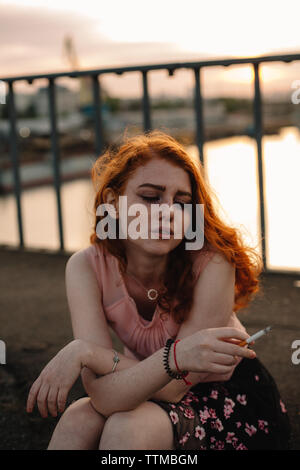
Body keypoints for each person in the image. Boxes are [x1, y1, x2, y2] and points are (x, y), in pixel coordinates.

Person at [26, 130, 290, 450]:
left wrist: (87, 353)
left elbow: (172, 390)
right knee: (77, 419)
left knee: (127, 428)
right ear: (112, 202)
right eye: (151, 197)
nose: (167, 212)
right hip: (138, 384)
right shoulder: (86, 266)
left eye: (182, 202)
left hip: (228, 401)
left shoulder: (213, 263)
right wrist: (176, 357)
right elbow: (101, 394)